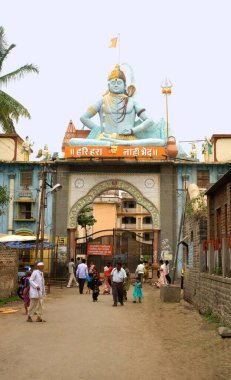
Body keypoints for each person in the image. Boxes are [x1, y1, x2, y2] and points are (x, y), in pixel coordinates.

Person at [69, 64, 166, 148]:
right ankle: (115, 143)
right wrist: (98, 129)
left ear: (125, 86)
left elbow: (150, 120)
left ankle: (119, 143)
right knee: (72, 141)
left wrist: (133, 130)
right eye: (113, 83)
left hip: (128, 139)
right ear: (108, 86)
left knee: (160, 142)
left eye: (119, 83)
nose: (116, 85)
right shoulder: (102, 101)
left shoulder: (132, 101)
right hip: (105, 138)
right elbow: (84, 117)